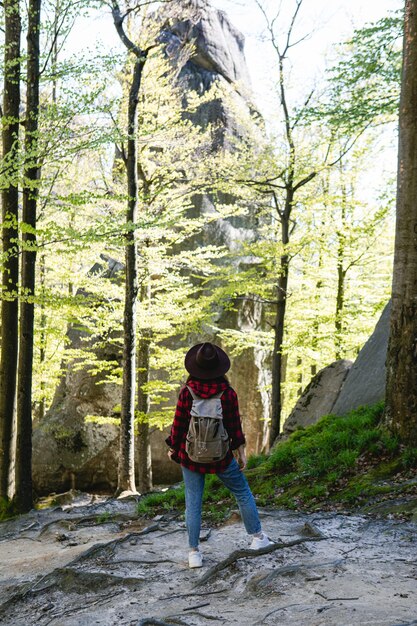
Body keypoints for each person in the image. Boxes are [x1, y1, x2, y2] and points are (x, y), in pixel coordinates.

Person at [166, 341, 272, 569]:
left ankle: (194, 553)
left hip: (190, 456)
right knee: (242, 492)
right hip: (221, 456)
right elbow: (234, 426)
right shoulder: (228, 394)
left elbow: (179, 425)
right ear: (218, 368)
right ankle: (257, 538)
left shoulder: (187, 392)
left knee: (193, 502)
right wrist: (241, 451)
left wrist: (174, 448)